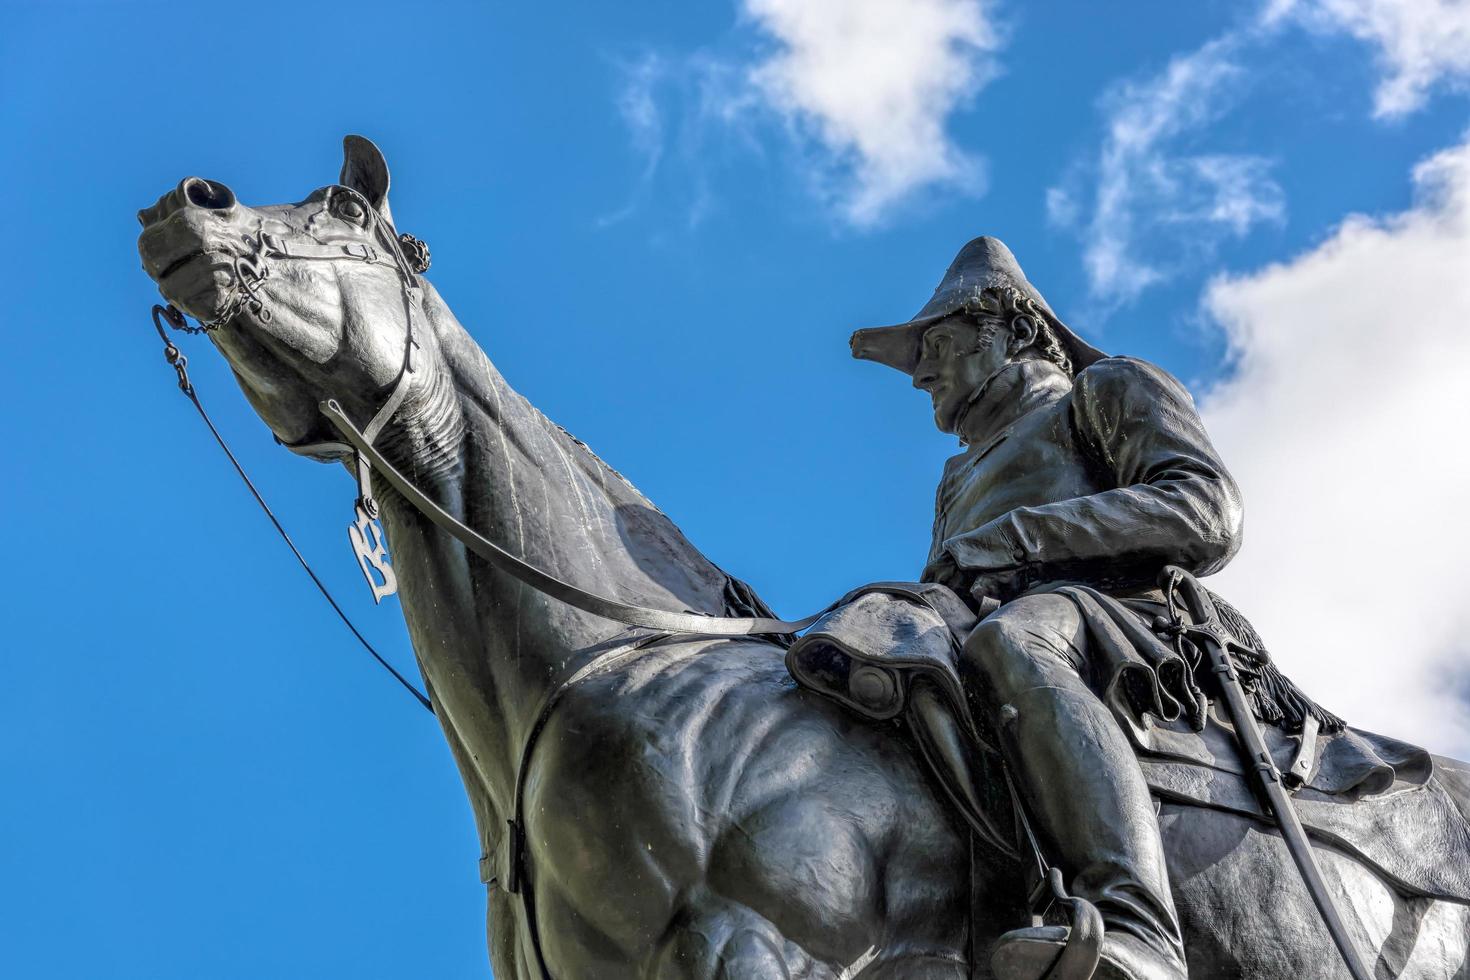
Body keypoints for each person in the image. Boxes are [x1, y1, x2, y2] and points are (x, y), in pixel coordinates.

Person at [849, 237, 1248, 980]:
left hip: (1117, 622)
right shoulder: (956, 480)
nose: (920, 374)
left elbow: (1204, 508)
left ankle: (1137, 927)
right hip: (983, 637)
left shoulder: (1103, 392)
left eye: (936, 342)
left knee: (1013, 644)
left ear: (1015, 329)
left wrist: (1022, 535)